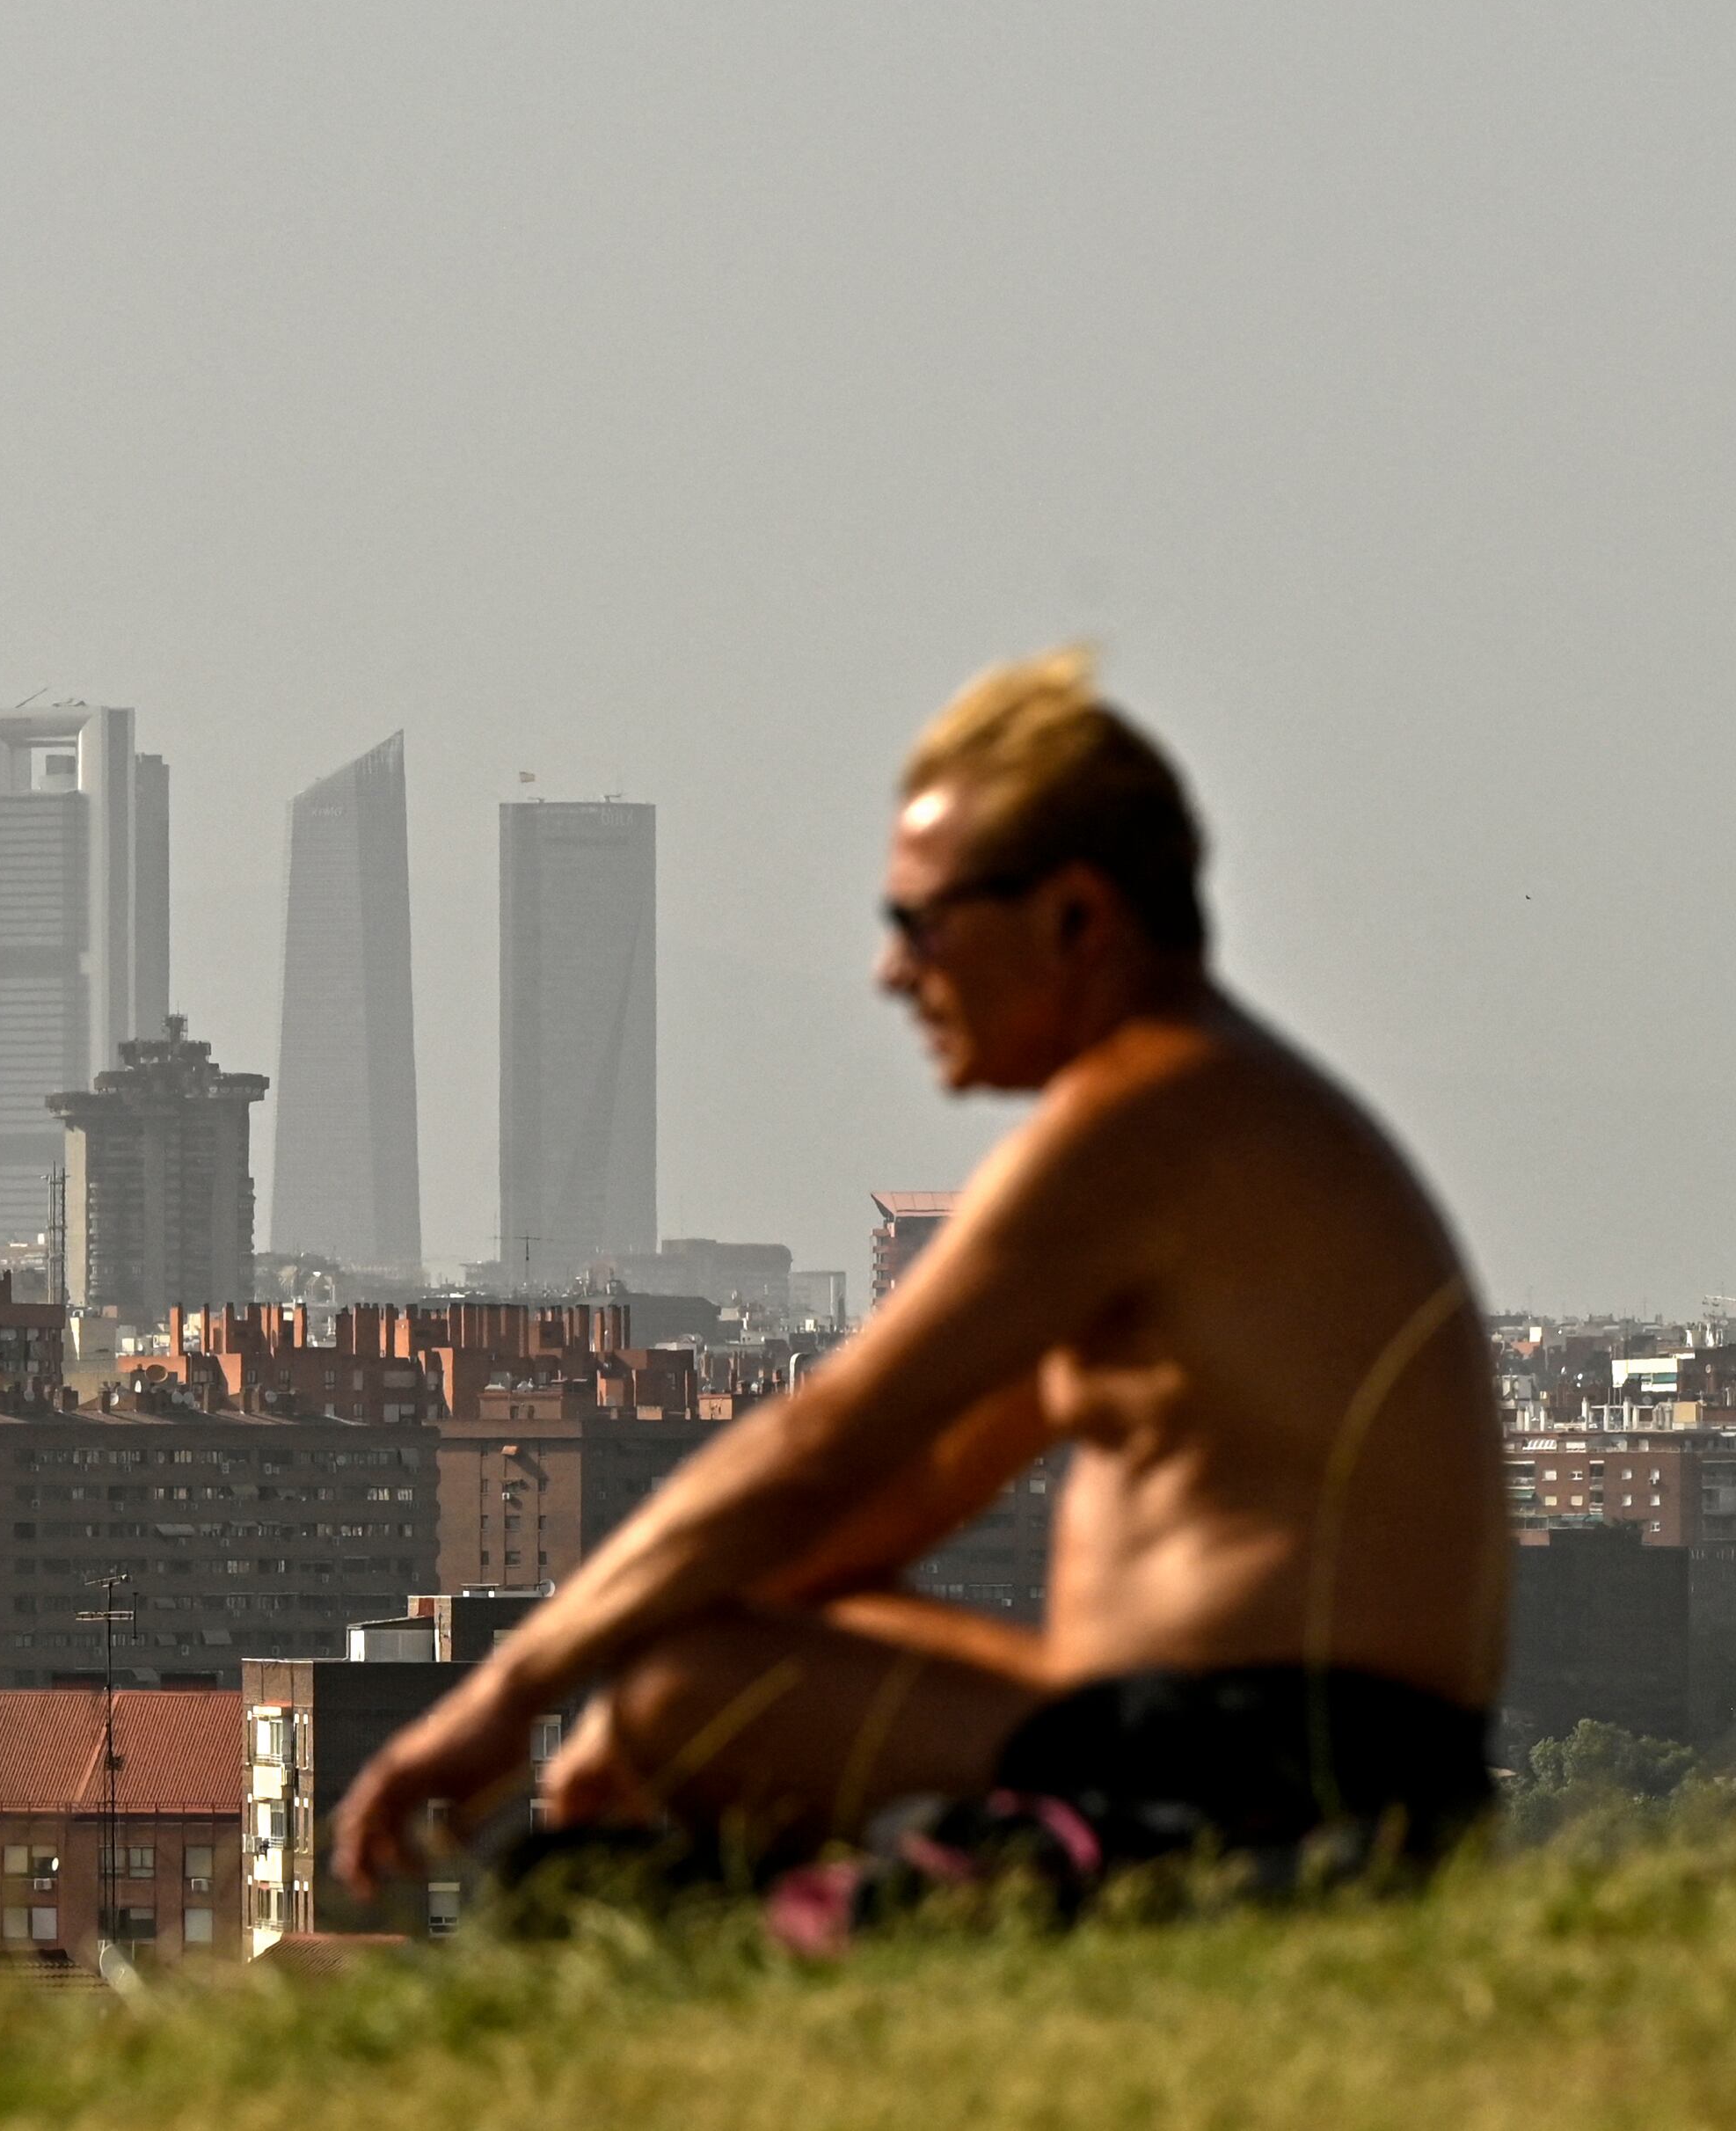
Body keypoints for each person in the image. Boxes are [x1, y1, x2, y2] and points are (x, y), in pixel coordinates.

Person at [332, 649, 1509, 1903]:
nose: (895, 972)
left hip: (1263, 1783)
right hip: (1271, 1757)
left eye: (920, 921)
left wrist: (517, 1690)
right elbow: (914, 1484)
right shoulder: (1204, 1122)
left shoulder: (1142, 1125)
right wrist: (676, 1652)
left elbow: (825, 1441)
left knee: (689, 1693)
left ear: (1075, 917)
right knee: (691, 1682)